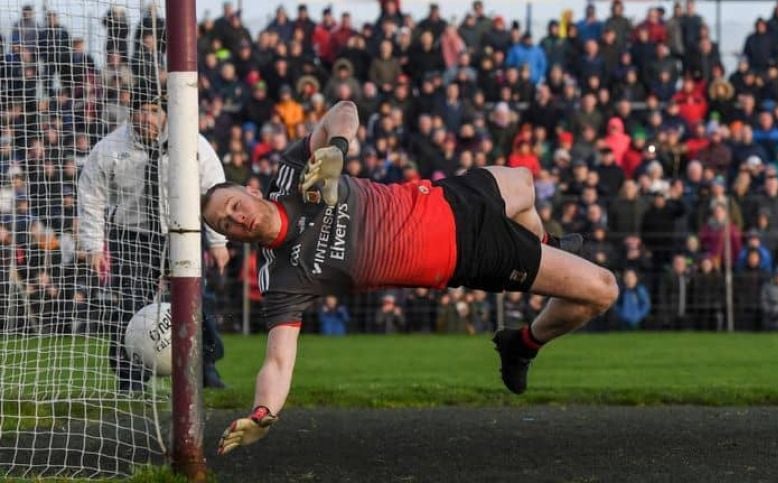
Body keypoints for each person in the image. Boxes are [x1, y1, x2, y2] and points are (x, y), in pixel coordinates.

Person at [208, 101, 615, 455]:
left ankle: (548, 245)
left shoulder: (293, 174)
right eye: (226, 224)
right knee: (602, 290)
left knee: (523, 182)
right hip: (469, 252)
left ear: (251, 191)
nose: (236, 217)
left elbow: (345, 110)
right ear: (231, 238)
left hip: (445, 196)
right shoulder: (281, 277)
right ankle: (522, 344)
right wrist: (263, 414)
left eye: (233, 204)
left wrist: (337, 149)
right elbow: (278, 361)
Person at [77, 82, 229, 392]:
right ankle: (129, 377)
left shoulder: (192, 143)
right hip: (131, 235)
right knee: (131, 306)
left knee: (197, 300)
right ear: (131, 113)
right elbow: (90, 197)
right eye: (141, 110)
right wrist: (94, 246)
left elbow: (214, 192)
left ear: (166, 114)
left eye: (154, 111)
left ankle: (206, 367)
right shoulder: (110, 148)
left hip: (182, 232)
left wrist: (217, 242)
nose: (147, 117)